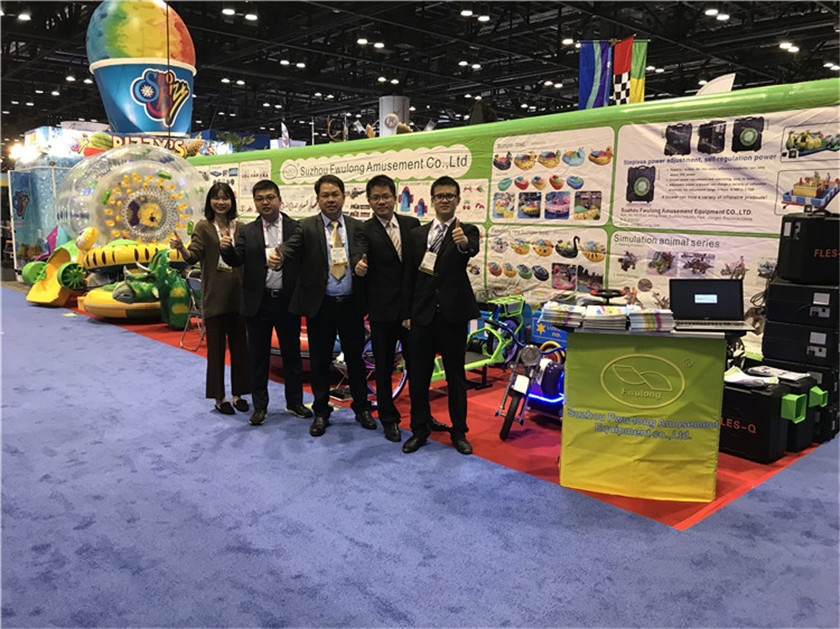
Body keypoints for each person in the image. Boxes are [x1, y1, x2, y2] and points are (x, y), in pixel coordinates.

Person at [278, 174, 375, 437]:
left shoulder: (357, 227)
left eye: (335, 194)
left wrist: (361, 265)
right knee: (320, 362)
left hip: (351, 306)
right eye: (325, 195)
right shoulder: (306, 227)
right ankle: (321, 411)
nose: (330, 199)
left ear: (343, 197)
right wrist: (278, 256)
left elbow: (363, 253)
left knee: (355, 360)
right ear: (318, 199)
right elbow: (291, 248)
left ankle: (362, 408)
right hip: (320, 307)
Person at [218, 179, 311, 426]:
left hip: (287, 302)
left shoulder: (296, 228)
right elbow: (236, 259)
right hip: (258, 303)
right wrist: (226, 249)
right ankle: (260, 407)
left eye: (270, 197)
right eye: (259, 199)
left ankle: (295, 403)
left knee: (292, 355)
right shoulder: (247, 231)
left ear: (280, 200)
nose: (265, 203)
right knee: (258, 358)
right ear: (255, 203)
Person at [401, 176, 481, 455]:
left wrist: (463, 244)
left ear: (458, 200)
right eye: (440, 196)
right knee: (418, 376)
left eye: (450, 196)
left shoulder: (466, 231)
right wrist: (406, 313)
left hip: (452, 316)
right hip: (421, 316)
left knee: (455, 376)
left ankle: (459, 431)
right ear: (432, 200)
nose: (445, 200)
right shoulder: (416, 235)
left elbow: (470, 249)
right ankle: (419, 429)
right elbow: (409, 276)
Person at [169, 182, 250, 416]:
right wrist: (181, 248)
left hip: (239, 297)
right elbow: (192, 256)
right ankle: (219, 397)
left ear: (232, 201)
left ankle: (239, 394)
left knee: (240, 350)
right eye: (216, 198)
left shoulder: (242, 227)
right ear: (209, 202)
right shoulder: (203, 227)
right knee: (215, 352)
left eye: (225, 198)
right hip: (215, 297)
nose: (221, 202)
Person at [353, 174, 420, 443]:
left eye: (386, 196)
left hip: (412, 311)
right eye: (376, 198)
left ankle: (421, 418)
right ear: (369, 201)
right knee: (383, 369)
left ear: (395, 197)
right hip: (382, 312)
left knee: (418, 367)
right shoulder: (364, 230)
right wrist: (359, 266)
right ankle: (388, 419)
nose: (381, 202)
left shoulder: (412, 224)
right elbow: (358, 253)